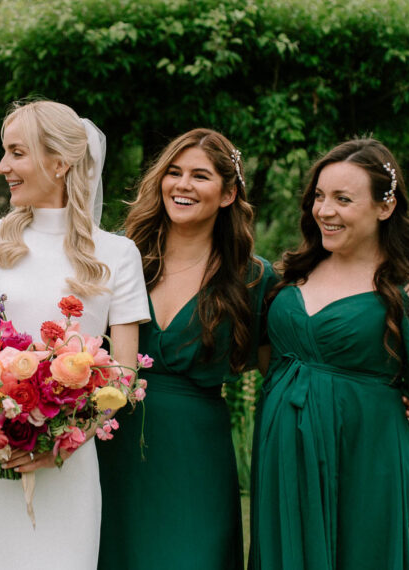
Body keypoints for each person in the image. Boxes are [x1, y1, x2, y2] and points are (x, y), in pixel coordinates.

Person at [249, 138, 409, 570]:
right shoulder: (294, 273)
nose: (324, 211)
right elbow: (270, 363)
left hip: (369, 462)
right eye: (319, 195)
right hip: (284, 461)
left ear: (384, 207)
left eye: (343, 199)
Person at [0, 100, 149, 570]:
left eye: (16, 153)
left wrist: (63, 444)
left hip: (68, 469)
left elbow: (123, 375)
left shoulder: (118, 255)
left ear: (60, 162)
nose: (2, 167)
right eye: (3, 152)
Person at [96, 129, 276, 569]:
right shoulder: (121, 257)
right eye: (174, 173)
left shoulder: (253, 279)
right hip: (111, 443)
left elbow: (284, 372)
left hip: (197, 457)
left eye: (200, 176)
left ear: (229, 193)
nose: (182, 185)